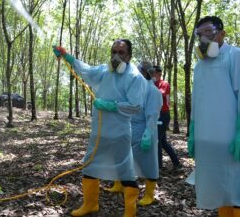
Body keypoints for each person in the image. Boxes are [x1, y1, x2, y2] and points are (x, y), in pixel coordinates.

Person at [53, 39, 147, 217]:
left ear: (129, 55)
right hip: (100, 131)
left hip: (120, 133)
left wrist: (112, 105)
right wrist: (67, 57)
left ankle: (130, 212)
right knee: (89, 165)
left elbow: (136, 106)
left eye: (121, 52)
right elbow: (87, 70)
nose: (116, 56)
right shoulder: (105, 70)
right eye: (114, 52)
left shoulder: (135, 77)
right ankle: (90, 204)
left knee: (125, 171)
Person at [188, 16, 240, 217]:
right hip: (207, 141)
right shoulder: (199, 66)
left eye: (208, 32)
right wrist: (192, 132)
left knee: (235, 185)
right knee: (218, 187)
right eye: (199, 34)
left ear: (222, 33)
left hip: (231, 141)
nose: (203, 38)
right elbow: (198, 101)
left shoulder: (234, 56)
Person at [106, 61, 162, 207]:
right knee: (122, 157)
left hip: (144, 129)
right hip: (129, 127)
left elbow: (152, 115)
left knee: (148, 162)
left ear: (144, 72)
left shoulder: (153, 92)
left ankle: (149, 194)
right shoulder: (134, 88)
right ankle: (119, 184)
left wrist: (148, 133)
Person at [154, 65, 180, 169]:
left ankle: (158, 167)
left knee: (158, 141)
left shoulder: (164, 83)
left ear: (159, 74)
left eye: (154, 73)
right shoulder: (152, 83)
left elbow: (162, 93)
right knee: (163, 141)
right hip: (156, 115)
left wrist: (151, 87)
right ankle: (177, 163)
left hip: (163, 115)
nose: (152, 75)